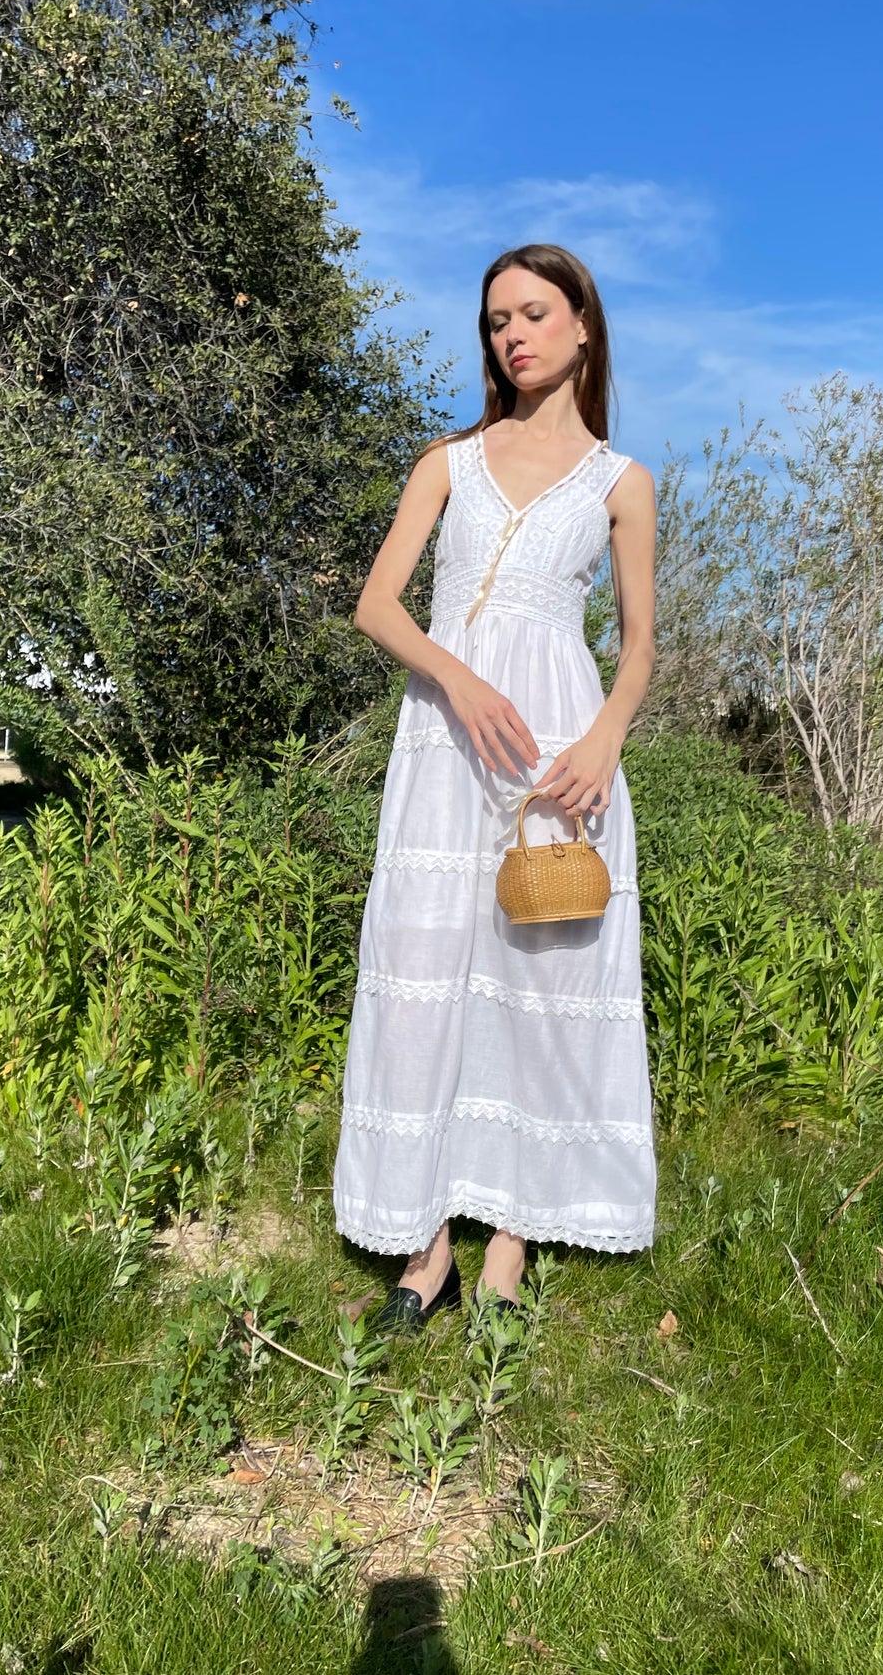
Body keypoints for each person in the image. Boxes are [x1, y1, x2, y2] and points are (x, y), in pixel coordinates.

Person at [332, 243, 658, 1330]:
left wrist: (605, 738)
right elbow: (380, 605)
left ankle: (510, 1238)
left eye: (530, 312)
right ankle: (425, 1246)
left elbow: (643, 650)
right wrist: (455, 680)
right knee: (422, 958)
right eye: (493, 322)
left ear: (580, 326)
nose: (509, 334)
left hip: (555, 745)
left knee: (540, 976)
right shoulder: (448, 462)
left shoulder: (621, 483)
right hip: (444, 734)